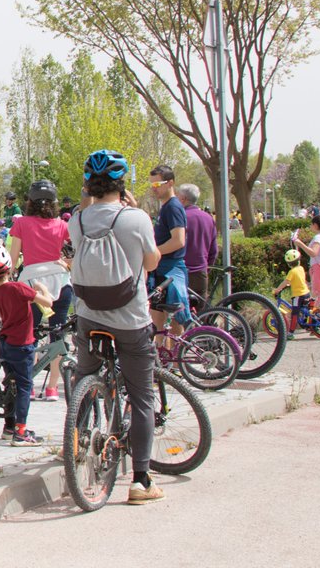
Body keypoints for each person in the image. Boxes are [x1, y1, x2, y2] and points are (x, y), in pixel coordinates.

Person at [69, 149, 163, 505]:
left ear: (88, 185)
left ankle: (75, 444)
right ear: (121, 184)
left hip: (89, 317)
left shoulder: (76, 220)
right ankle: (140, 480)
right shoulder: (135, 218)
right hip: (131, 319)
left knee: (83, 377)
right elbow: (152, 261)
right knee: (141, 397)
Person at [0, 242, 53, 446]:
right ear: (9, 267)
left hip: (6, 343)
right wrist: (43, 288)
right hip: (22, 344)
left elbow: (0, 309)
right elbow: (48, 303)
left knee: (9, 385)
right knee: (24, 386)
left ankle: (9, 428)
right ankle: (21, 431)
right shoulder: (19, 288)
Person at [6, 178, 71, 402]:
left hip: (32, 282)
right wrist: (64, 263)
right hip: (60, 280)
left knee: (29, 335)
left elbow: (13, 259)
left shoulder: (21, 223)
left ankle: (30, 384)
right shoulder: (63, 225)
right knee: (58, 333)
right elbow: (72, 253)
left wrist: (5, 280)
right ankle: (53, 386)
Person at [149, 165, 190, 333]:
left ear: (170, 183)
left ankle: (175, 358)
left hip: (170, 270)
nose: (154, 189)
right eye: (152, 185)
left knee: (173, 319)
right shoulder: (165, 207)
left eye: (158, 184)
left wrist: (154, 253)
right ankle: (162, 355)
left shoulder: (173, 207)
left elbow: (178, 241)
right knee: (158, 320)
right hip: (161, 269)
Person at [178, 184, 217, 305]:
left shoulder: (180, 217)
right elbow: (213, 250)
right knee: (200, 313)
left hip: (181, 271)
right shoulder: (208, 218)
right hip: (201, 271)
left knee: (179, 314)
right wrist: (206, 266)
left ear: (183, 198)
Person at [272, 248, 310, 338]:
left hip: (298, 296)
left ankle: (291, 333)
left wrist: (277, 289)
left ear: (289, 264)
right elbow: (299, 280)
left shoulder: (291, 272)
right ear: (299, 261)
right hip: (306, 293)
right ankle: (311, 327)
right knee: (306, 311)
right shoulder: (301, 268)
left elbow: (285, 282)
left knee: (294, 314)